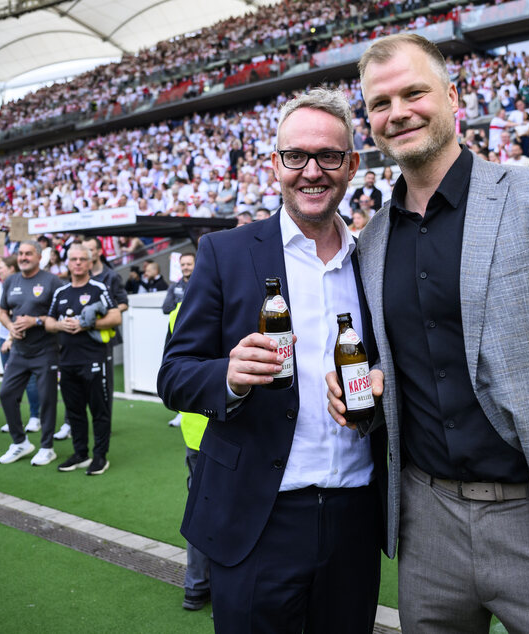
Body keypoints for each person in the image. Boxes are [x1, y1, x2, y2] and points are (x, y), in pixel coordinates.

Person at [336, 33, 529, 633]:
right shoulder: (372, 241)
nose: (397, 112)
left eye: (413, 92)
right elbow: (399, 377)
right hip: (425, 525)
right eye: (380, 104)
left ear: (452, 98)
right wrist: (367, 400)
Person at [158, 88, 386, 634]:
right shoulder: (225, 252)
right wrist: (230, 378)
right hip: (257, 518)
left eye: (329, 156)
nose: (312, 171)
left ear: (352, 164)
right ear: (274, 164)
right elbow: (174, 375)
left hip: (355, 516)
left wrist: (381, 386)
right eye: (296, 156)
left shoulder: (378, 255)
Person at [46, 244, 121, 476]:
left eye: (82, 259)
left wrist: (87, 324)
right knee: (74, 410)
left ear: (90, 263)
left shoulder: (99, 288)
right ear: (67, 263)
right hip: (67, 361)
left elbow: (116, 315)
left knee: (99, 411)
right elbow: (48, 322)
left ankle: (100, 456)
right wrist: (61, 325)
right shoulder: (61, 292)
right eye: (73, 259)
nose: (77, 263)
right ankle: (80, 453)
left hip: (94, 359)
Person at [0, 240, 63, 466]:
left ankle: (47, 447)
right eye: (20, 254)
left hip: (45, 350)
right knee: (6, 394)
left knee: (47, 400)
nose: (23, 257)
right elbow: (2, 310)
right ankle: (20, 442)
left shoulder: (52, 281)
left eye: (28, 254)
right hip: (19, 351)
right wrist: (10, 326)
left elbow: (61, 316)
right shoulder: (11, 281)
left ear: (38, 257)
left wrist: (36, 321)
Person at [0, 255, 40, 435]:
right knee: (10, 380)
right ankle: (14, 420)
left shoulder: (25, 285)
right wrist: (9, 322)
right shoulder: (1, 287)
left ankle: (35, 417)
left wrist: (11, 331)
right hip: (4, 336)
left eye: (2, 266)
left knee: (31, 380)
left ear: (12, 268)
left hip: (25, 338)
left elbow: (23, 311)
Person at [162, 252, 196, 428]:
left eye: (189, 264)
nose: (186, 267)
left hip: (198, 335)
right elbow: (166, 307)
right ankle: (179, 412)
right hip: (177, 334)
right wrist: (184, 307)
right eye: (183, 264)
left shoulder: (202, 282)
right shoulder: (174, 286)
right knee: (177, 371)